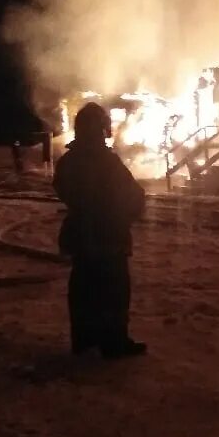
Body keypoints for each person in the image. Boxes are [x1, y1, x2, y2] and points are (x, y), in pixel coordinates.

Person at [53, 102, 148, 359]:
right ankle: (113, 342)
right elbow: (131, 194)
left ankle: (84, 339)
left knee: (84, 287)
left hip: (81, 235)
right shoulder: (108, 162)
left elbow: (62, 189)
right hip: (109, 235)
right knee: (113, 289)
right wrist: (130, 212)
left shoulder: (68, 162)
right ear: (101, 129)